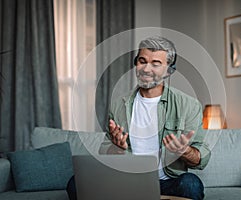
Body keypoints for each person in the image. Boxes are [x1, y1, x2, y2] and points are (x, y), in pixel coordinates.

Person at [67, 36, 211, 200]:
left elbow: (201, 159)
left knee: (191, 184)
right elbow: (106, 152)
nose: (146, 69)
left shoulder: (189, 105)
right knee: (75, 183)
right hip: (126, 180)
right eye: (142, 61)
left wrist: (184, 151)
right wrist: (117, 147)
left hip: (168, 182)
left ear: (169, 70)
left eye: (156, 64)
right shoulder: (118, 105)